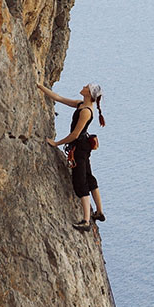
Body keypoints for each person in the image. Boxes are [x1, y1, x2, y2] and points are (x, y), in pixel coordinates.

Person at [38, 81, 106, 232]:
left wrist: (56, 143)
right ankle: (99, 212)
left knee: (80, 182)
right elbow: (59, 98)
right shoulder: (81, 105)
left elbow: (75, 134)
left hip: (80, 148)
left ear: (89, 93)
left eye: (86, 87)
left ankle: (86, 221)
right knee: (89, 177)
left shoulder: (86, 111)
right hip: (83, 147)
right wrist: (40, 86)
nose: (83, 86)